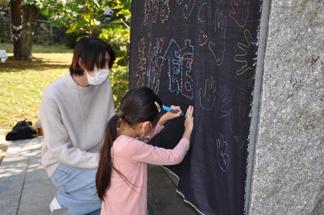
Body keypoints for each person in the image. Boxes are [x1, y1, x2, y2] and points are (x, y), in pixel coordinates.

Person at [40, 37, 116, 215]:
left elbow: (110, 124)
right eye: (101, 63)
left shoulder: (103, 84)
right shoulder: (53, 96)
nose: (106, 70)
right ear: (81, 62)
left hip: (97, 157)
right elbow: (59, 150)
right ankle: (64, 201)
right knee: (108, 186)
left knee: (114, 187)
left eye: (108, 63)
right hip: (61, 164)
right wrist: (101, 161)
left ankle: (72, 205)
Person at [96, 87, 194, 215]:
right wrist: (188, 130)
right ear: (145, 125)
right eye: (152, 124)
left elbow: (142, 139)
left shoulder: (117, 132)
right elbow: (174, 156)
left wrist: (163, 119)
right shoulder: (129, 146)